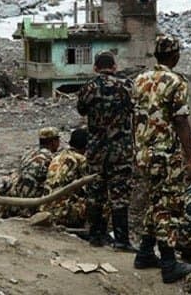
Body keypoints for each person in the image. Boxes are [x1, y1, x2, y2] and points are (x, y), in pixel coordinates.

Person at [131, 34, 191, 283]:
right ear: (175, 56)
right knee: (169, 205)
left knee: (154, 200)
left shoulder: (138, 80)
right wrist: (189, 157)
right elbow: (181, 120)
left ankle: (146, 252)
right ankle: (169, 263)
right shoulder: (176, 82)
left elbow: (135, 118)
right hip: (165, 155)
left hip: (143, 154)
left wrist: (137, 149)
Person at [76, 50, 136, 250]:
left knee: (95, 193)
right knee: (120, 196)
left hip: (96, 149)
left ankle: (96, 236)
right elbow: (133, 108)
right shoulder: (127, 86)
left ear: (95, 67)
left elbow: (82, 110)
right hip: (121, 150)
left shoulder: (88, 87)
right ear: (114, 67)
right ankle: (121, 240)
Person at [2, 127, 61, 217]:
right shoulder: (50, 159)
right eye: (58, 140)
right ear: (53, 142)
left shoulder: (29, 153)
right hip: (30, 204)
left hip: (13, 200)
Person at [41, 128, 90, 229]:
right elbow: (90, 187)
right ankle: (97, 233)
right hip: (62, 214)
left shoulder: (57, 157)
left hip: (44, 209)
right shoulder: (81, 160)